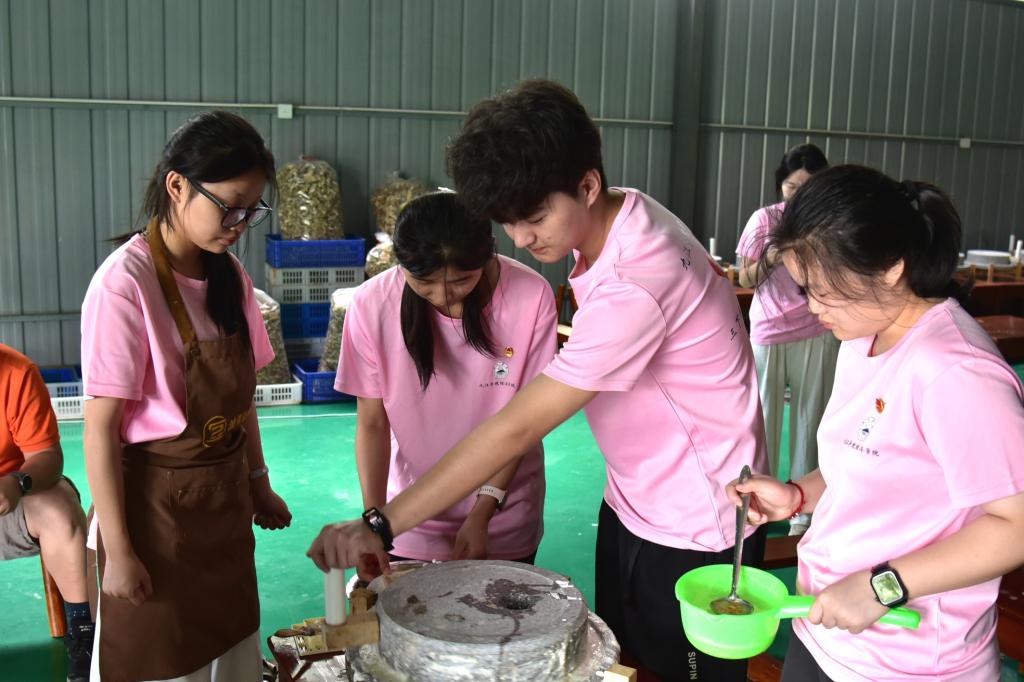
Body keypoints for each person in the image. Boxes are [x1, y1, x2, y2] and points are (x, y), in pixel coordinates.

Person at [309, 79, 767, 681]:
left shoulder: (636, 280)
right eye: (508, 222)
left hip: (698, 515)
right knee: (627, 659)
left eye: (533, 219)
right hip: (639, 496)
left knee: (677, 672)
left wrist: (380, 523)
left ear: (587, 185)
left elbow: (515, 428)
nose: (521, 239)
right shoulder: (620, 216)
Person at [729, 165, 1024, 681]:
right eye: (805, 289)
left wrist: (882, 587)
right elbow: (864, 466)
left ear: (889, 268)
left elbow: (1015, 526)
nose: (813, 307)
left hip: (907, 663)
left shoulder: (955, 372)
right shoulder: (862, 335)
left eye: (823, 290)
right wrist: (796, 496)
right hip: (824, 630)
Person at [81, 111, 292, 682]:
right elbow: (99, 432)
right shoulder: (124, 284)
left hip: (222, 508)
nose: (240, 224)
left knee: (231, 655)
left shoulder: (230, 276)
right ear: (177, 186)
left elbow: (240, 400)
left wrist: (258, 482)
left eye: (252, 210)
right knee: (161, 662)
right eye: (230, 206)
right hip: (154, 519)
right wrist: (120, 552)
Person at [336, 191, 554, 569]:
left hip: (502, 516)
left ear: (487, 255)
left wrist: (483, 511)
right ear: (401, 265)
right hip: (409, 518)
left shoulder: (531, 296)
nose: (443, 297)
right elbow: (372, 424)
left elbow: (525, 423)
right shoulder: (371, 303)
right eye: (425, 283)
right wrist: (375, 524)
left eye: (461, 281)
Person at [735, 143, 839, 535]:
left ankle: (802, 514)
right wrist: (778, 252)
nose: (798, 195)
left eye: (807, 187)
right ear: (781, 185)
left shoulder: (828, 222)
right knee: (762, 421)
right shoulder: (764, 220)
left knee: (811, 421)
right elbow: (745, 277)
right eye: (792, 187)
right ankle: (757, 507)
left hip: (817, 328)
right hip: (770, 329)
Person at [0, 343, 93, 682]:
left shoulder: (16, 371)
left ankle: (83, 631)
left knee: (59, 507)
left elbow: (48, 458)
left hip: (10, 504)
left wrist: (16, 483)